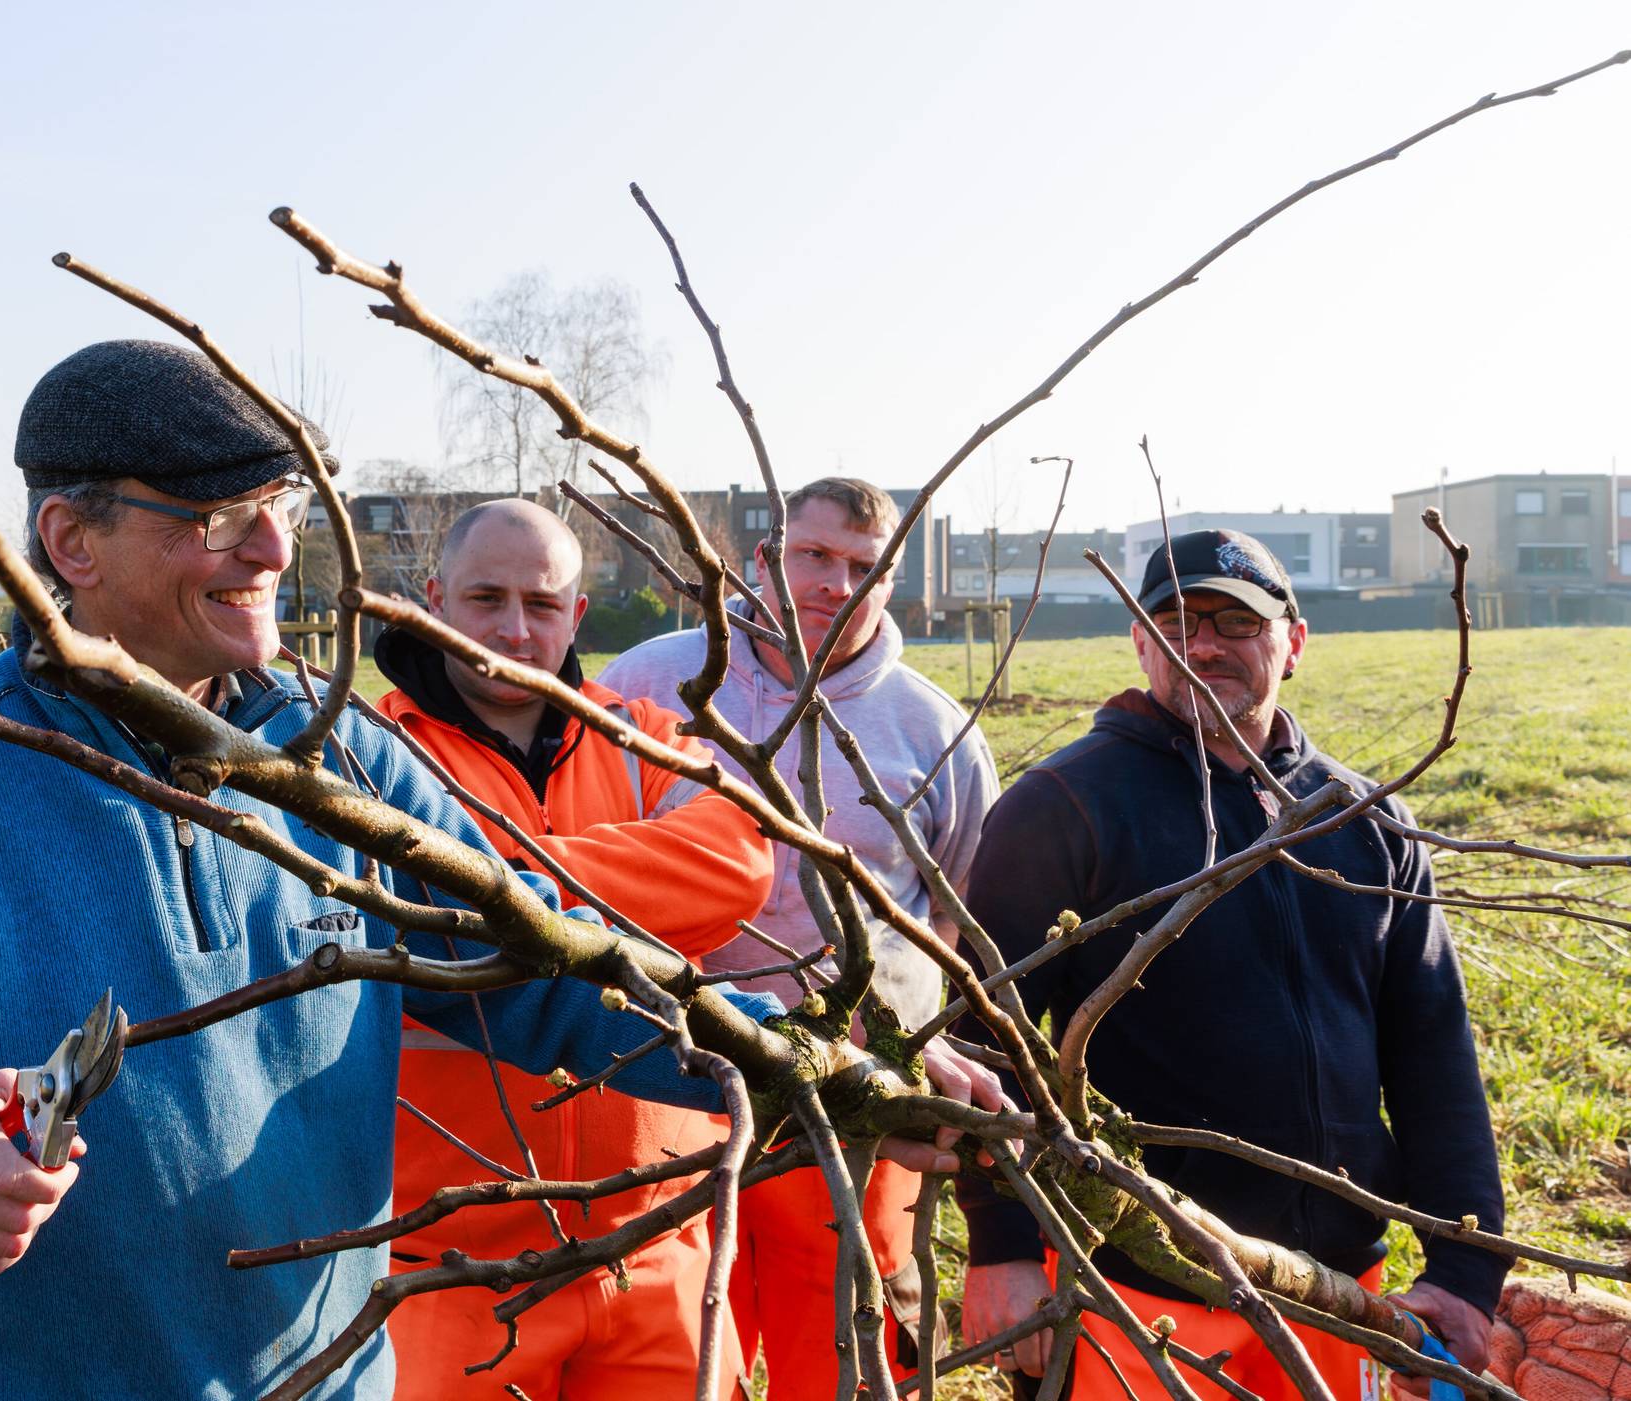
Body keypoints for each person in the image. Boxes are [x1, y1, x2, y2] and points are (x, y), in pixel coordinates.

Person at [0, 340, 793, 1401]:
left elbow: (545, 972)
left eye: (277, 505)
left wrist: (798, 1068)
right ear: (71, 543)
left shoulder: (346, 766)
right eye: (216, 514)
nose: (277, 548)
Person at [956, 529, 1505, 1399]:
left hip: (1339, 1295)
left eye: (1234, 621)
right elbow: (988, 1045)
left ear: (1293, 640)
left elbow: (1434, 1053)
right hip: (1133, 1289)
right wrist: (1002, 1246)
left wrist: (1467, 1273)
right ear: (1139, 642)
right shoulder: (1063, 806)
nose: (1201, 643)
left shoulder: (1365, 821)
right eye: (1171, 621)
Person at [601, 477, 1003, 1396]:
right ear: (760, 564)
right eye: (813, 557)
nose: (835, 584)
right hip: (681, 1085)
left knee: (855, 1353)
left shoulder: (933, 730)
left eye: (865, 568)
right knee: (682, 1351)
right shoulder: (649, 683)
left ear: (894, 583)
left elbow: (956, 913)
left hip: (858, 1100)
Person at [374, 498, 773, 1398]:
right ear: (435, 599)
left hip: (655, 1240)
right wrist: (625, 894)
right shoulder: (373, 760)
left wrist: (496, 876)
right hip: (447, 1261)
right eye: (486, 597)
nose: (515, 629)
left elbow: (738, 861)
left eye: (543, 604)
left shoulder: (646, 739)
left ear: (578, 615)